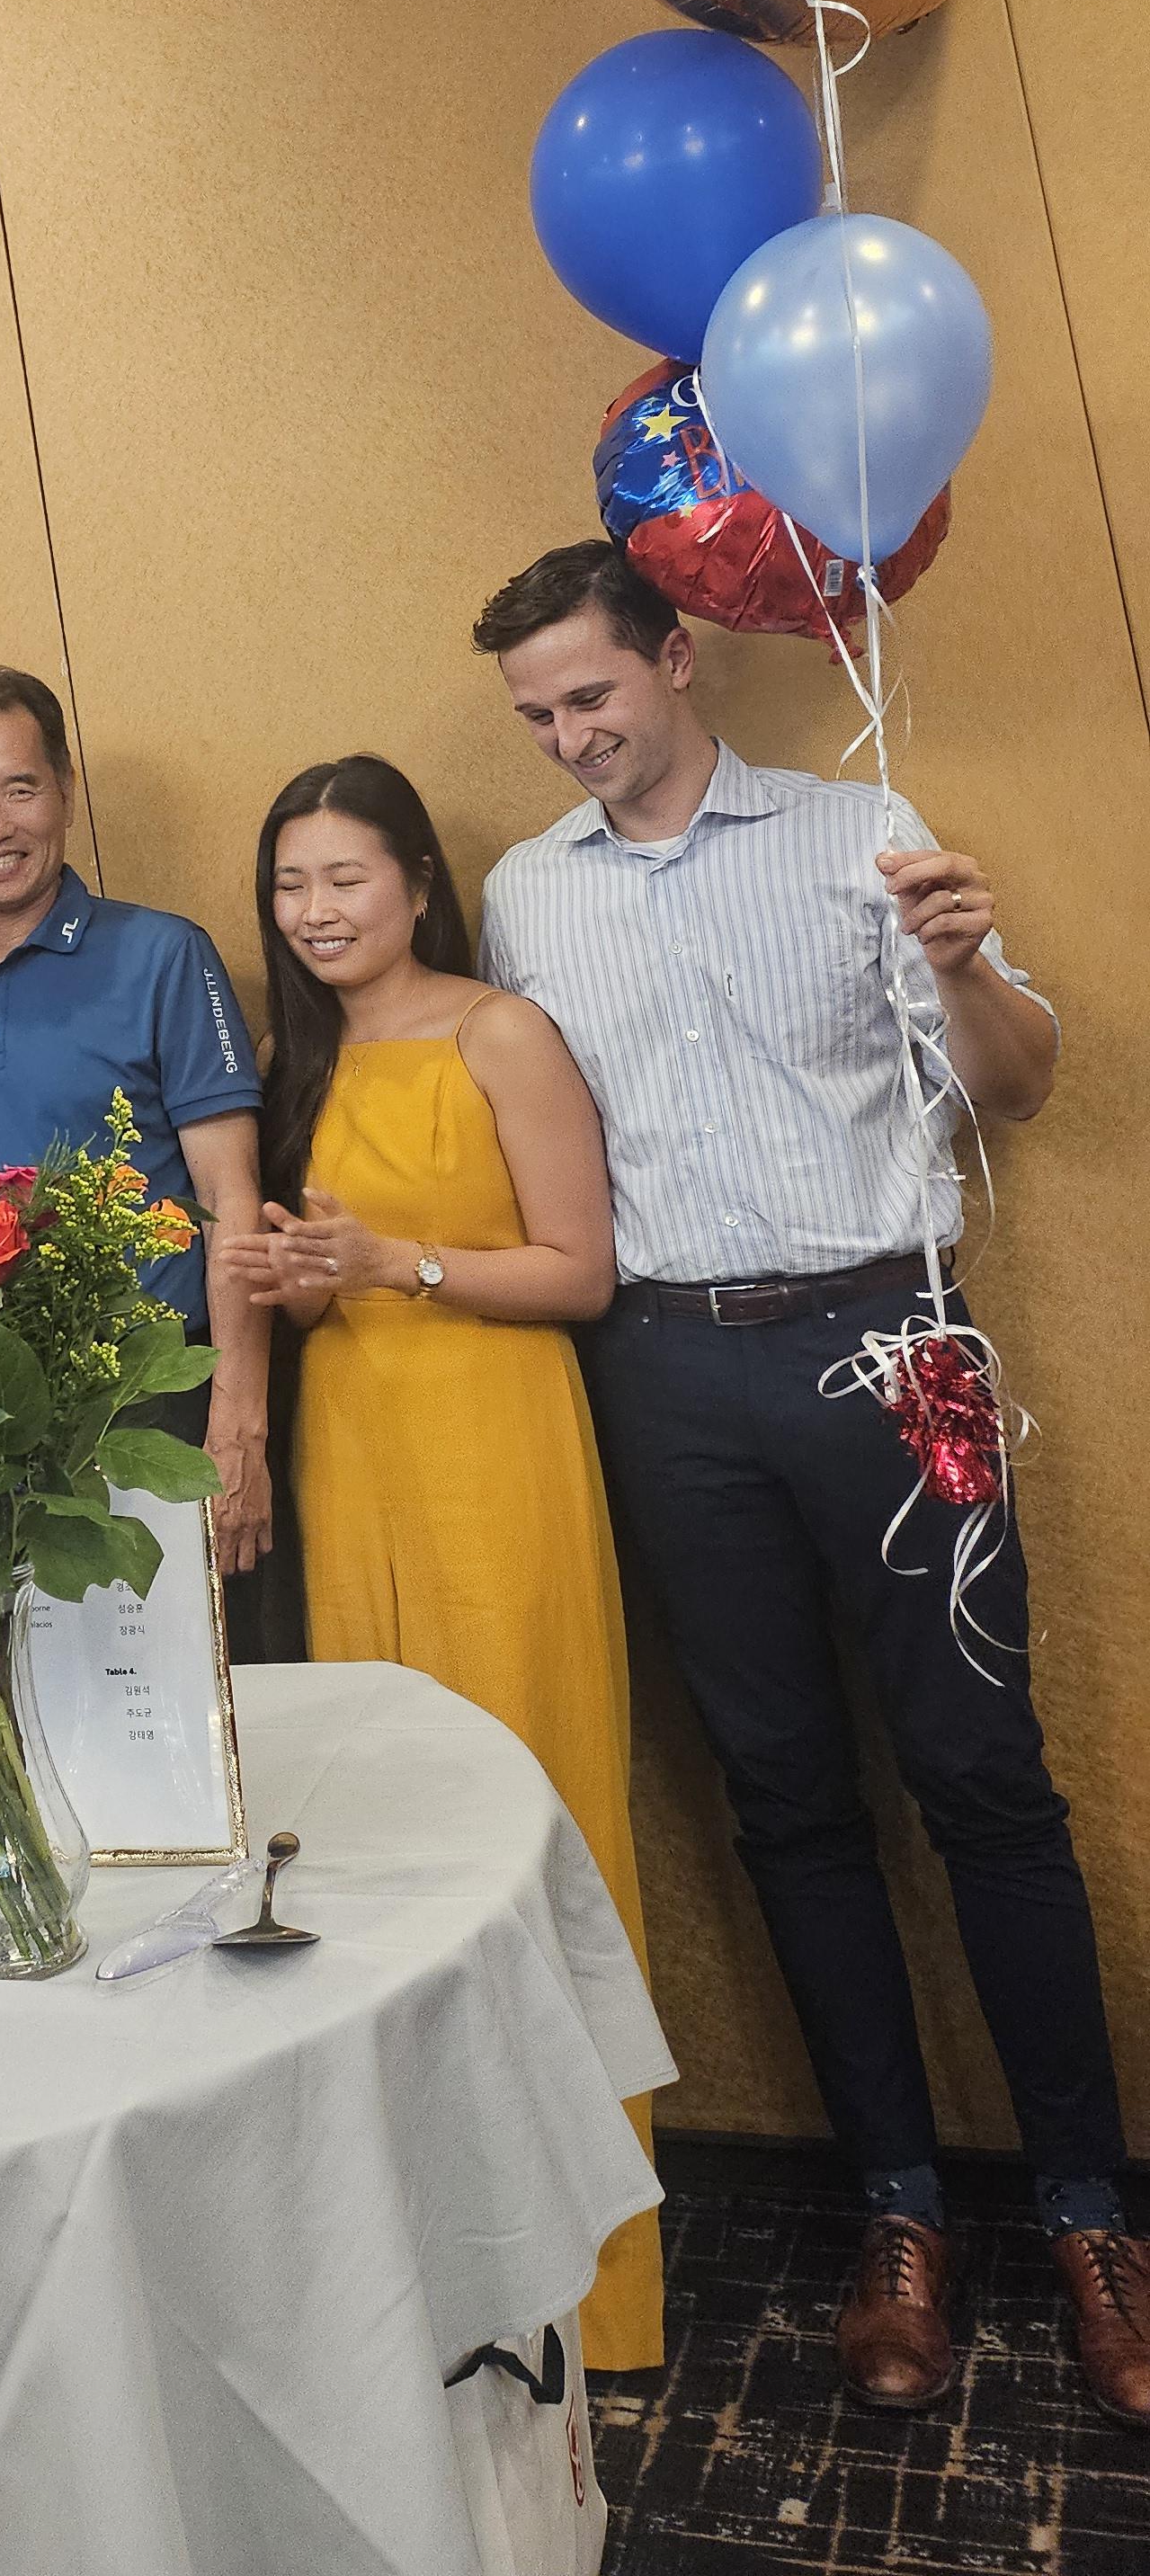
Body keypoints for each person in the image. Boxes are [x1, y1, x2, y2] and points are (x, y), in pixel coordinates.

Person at [473, 540, 1146, 2425]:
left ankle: (1093, 2217)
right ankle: (899, 2208)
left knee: (986, 1778)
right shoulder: (528, 894)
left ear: (677, 655)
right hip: (670, 1371)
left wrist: (961, 961)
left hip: (899, 1344)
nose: (571, 736)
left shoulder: (863, 832)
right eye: (537, 715)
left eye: (592, 694)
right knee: (785, 1798)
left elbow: (1017, 1084)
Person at [220, 753, 661, 2371]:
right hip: (357, 1455)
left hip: (497, 1454)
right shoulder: (297, 1061)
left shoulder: (499, 1033)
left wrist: (393, 1260)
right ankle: (437, 2263)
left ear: (416, 879)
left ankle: (596, 2295)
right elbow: (329, 1284)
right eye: (289, 885)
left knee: (535, 1808)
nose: (316, 910)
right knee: (393, 1831)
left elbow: (581, 1272)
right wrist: (301, 1278)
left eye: (345, 877)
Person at [0, 667, 271, 1570]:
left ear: (66, 791)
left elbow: (232, 1198)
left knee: (159, 1653)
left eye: (20, 788)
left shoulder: (166, 956)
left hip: (145, 1397)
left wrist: (239, 1419)